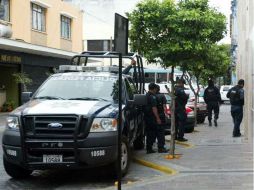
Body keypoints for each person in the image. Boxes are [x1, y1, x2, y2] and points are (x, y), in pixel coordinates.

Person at [144, 83, 165, 154]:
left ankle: (149, 148)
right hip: (152, 118)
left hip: (147, 117)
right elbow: (154, 108)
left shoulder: (146, 95)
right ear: (154, 89)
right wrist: (158, 118)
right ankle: (160, 148)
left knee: (150, 133)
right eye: (156, 89)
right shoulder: (152, 97)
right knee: (156, 133)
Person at [154, 84, 168, 153]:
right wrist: (166, 114)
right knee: (161, 132)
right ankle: (161, 147)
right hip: (161, 116)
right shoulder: (162, 96)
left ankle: (151, 146)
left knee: (154, 131)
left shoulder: (152, 96)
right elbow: (164, 106)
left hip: (153, 116)